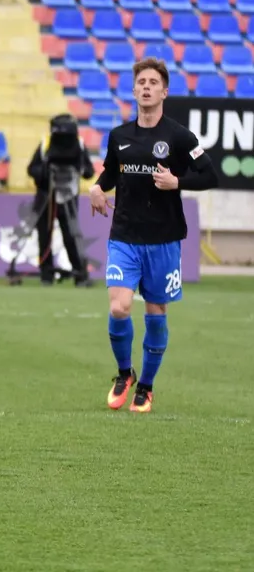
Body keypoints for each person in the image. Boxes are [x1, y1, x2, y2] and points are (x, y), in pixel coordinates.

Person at [91, 58, 218, 413]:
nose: (146, 87)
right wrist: (97, 188)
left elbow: (210, 175)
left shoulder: (179, 136)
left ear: (164, 91)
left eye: (153, 82)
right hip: (124, 236)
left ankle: (146, 386)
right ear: (134, 90)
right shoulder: (119, 136)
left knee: (155, 311)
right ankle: (124, 373)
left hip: (163, 239)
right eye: (141, 82)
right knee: (118, 306)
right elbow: (110, 174)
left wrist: (178, 182)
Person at [25, 114, 95, 286]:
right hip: (45, 198)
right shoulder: (46, 143)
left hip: (68, 199)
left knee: (71, 236)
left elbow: (89, 171)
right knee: (44, 236)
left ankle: (80, 273)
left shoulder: (79, 145)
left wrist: (80, 169)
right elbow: (32, 168)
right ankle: (46, 274)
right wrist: (44, 173)